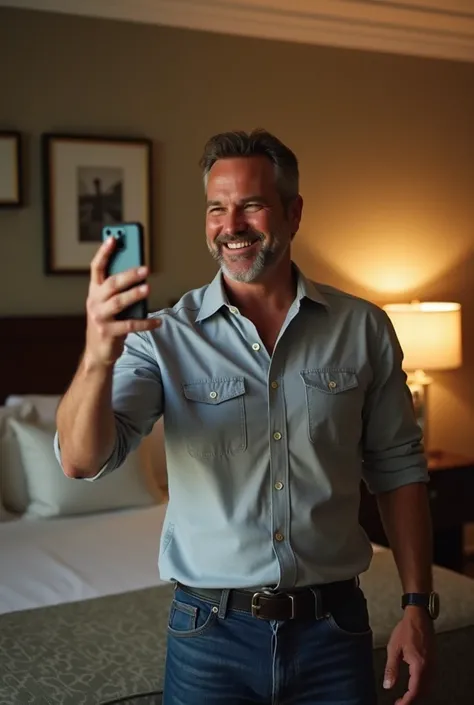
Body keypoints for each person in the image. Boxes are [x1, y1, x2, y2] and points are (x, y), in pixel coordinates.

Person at [55, 129, 437, 705]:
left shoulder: (363, 329)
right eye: (216, 208)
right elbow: (82, 463)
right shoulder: (161, 337)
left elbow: (398, 468)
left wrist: (416, 604)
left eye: (250, 205)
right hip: (210, 636)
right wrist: (96, 356)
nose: (231, 224)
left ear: (293, 212)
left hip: (335, 630)